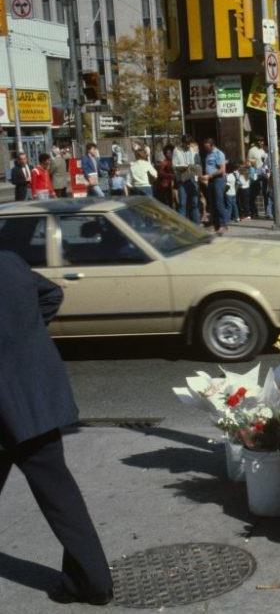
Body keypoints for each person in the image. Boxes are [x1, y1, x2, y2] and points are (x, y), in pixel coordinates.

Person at [0, 251, 114, 606]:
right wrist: (28, 335)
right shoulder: (8, 262)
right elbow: (51, 294)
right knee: (59, 493)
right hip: (36, 398)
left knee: (59, 494)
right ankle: (91, 579)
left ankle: (92, 581)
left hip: (10, 409)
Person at [171, 136, 201, 224]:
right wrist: (180, 167)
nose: (188, 145)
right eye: (186, 143)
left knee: (194, 203)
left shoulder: (193, 150)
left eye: (189, 143)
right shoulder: (176, 151)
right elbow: (174, 165)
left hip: (192, 178)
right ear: (182, 143)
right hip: (182, 179)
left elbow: (197, 163)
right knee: (182, 204)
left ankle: (196, 225)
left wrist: (195, 168)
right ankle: (182, 225)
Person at [203, 137, 229, 234]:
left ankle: (223, 225)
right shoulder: (208, 154)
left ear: (212, 145)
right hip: (210, 180)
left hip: (218, 180)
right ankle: (214, 224)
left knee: (219, 202)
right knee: (212, 203)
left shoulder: (219, 154)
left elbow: (222, 169)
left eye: (208, 147)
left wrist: (210, 175)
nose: (206, 149)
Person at [246, 136, 266, 218]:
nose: (262, 142)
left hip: (263, 173)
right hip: (255, 173)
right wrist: (252, 164)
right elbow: (249, 162)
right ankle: (254, 212)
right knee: (253, 194)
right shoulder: (252, 150)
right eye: (260, 141)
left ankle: (267, 212)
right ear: (257, 142)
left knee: (264, 192)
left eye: (262, 141)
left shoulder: (262, 150)